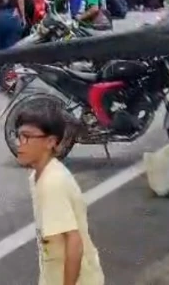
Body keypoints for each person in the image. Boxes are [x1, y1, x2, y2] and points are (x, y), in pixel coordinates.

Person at [15, 105, 104, 285]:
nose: (19, 144)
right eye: (19, 136)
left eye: (27, 137)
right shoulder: (39, 175)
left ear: (50, 142)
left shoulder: (51, 182)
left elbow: (74, 242)